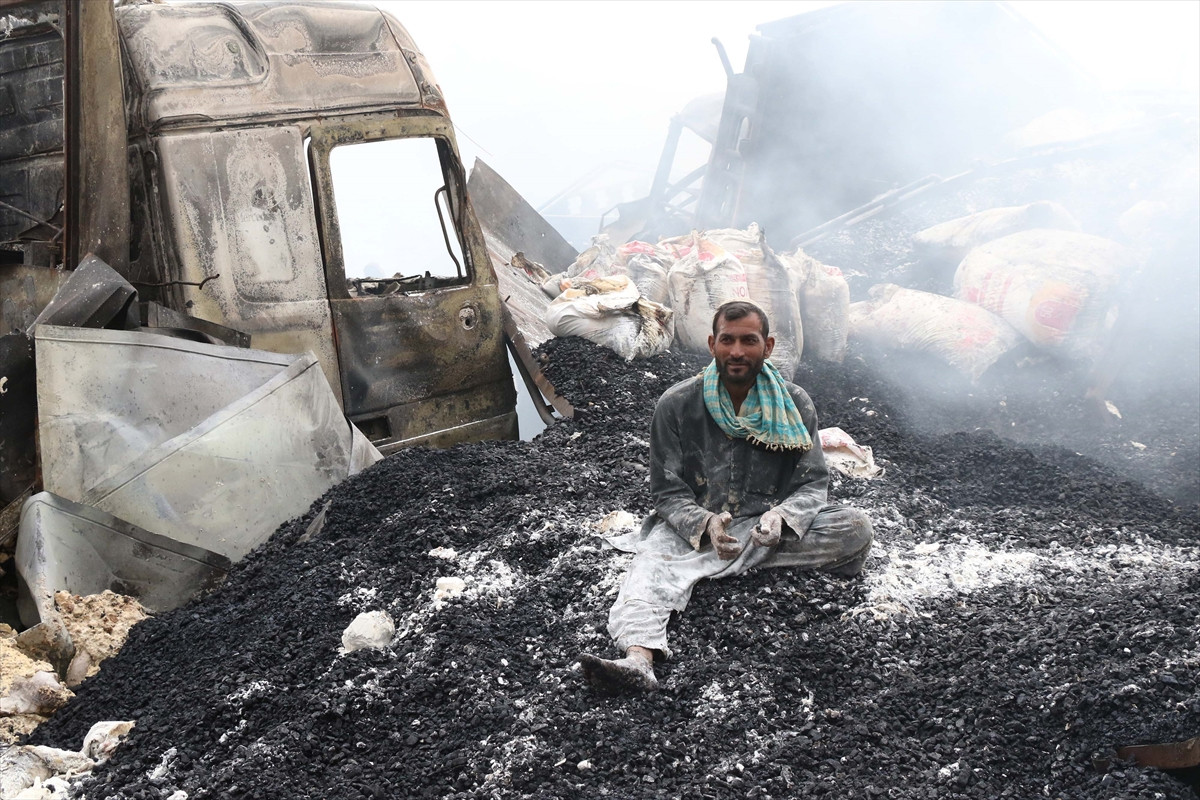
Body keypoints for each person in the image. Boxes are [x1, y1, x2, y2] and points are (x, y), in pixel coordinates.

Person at [580, 300, 873, 691]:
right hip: (695, 529)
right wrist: (704, 523)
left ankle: (715, 566)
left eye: (749, 341)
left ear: (767, 347)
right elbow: (667, 492)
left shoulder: (795, 404)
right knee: (650, 566)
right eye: (727, 340)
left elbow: (812, 482)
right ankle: (639, 659)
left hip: (764, 528)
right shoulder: (677, 404)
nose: (737, 351)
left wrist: (781, 517)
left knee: (855, 527)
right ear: (711, 344)